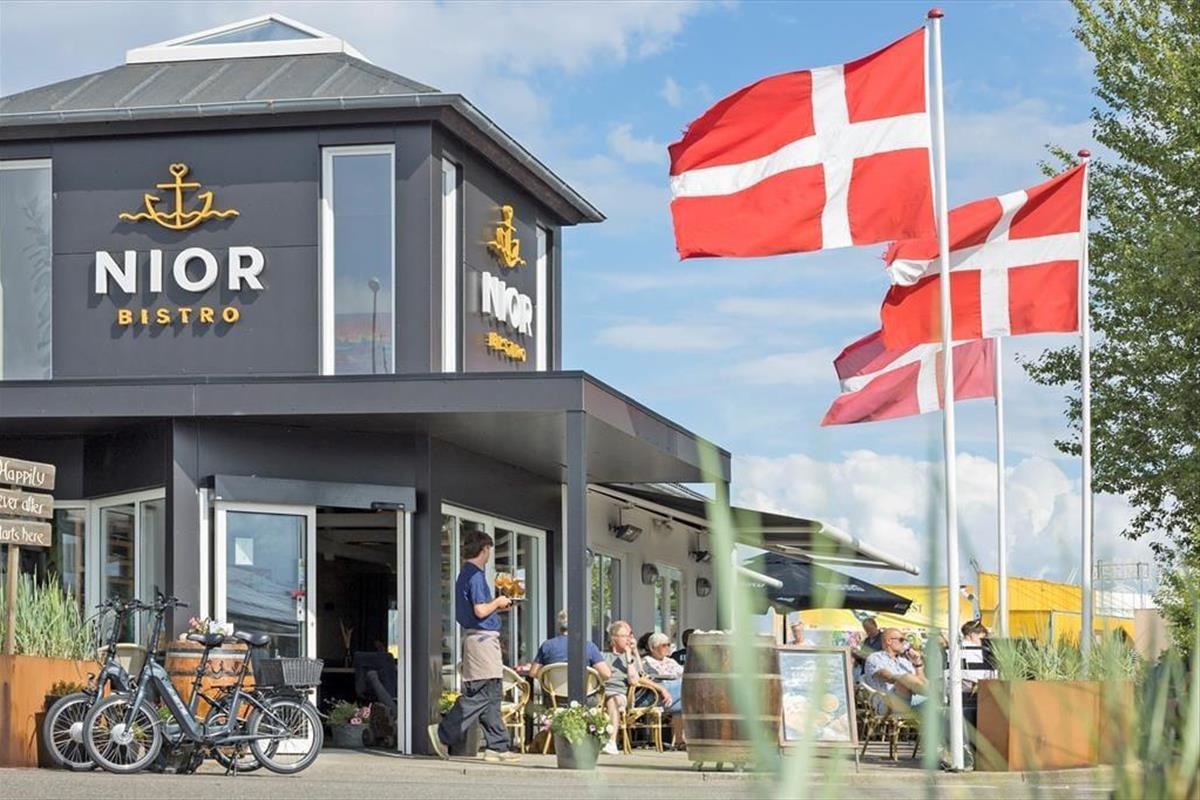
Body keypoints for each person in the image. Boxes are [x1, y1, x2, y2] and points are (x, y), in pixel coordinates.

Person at [428, 530, 519, 763]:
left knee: (492, 693)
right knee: (482, 692)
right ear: (485, 549)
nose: (489, 554)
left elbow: (479, 610)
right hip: (482, 641)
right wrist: (498, 601)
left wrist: (499, 606)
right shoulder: (476, 576)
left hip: (478, 639)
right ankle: (443, 733)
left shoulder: (465, 574)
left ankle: (497, 747)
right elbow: (480, 611)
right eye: (489, 550)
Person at [528, 609, 613, 690]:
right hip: (584, 696)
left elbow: (533, 673)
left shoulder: (547, 645)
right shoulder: (589, 646)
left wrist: (547, 676)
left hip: (553, 696)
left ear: (559, 626)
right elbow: (606, 674)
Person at [863, 628, 927, 715]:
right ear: (889, 641)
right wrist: (905, 681)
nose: (904, 643)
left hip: (912, 699)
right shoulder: (875, 657)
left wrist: (917, 664)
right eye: (901, 640)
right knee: (906, 678)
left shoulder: (904, 661)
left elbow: (921, 681)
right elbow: (885, 676)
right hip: (887, 702)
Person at [643, 631, 686, 746]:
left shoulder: (670, 661)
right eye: (663, 645)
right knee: (686, 689)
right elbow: (646, 679)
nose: (667, 648)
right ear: (652, 648)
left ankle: (679, 740)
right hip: (657, 694)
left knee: (682, 703)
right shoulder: (646, 662)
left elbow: (684, 673)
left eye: (668, 644)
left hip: (673, 694)